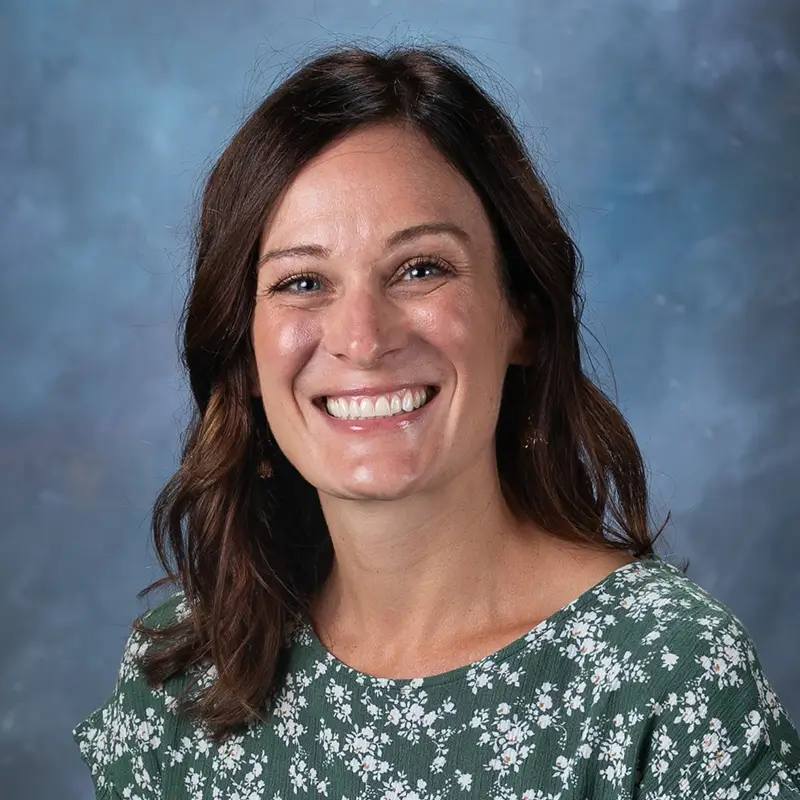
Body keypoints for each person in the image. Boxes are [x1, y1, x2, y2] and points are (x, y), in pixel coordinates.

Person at [73, 44, 800, 799]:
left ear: (520, 315)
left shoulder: (665, 674)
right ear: (245, 354)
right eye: (302, 281)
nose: (362, 336)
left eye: (421, 269)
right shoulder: (188, 669)